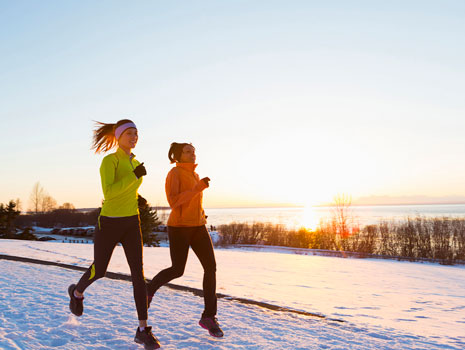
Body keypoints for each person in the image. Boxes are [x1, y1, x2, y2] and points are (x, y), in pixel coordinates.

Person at [67, 119, 160, 349]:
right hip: (109, 222)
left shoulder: (135, 161)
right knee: (100, 270)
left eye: (137, 133)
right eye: (129, 133)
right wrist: (134, 177)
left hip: (131, 222)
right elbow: (109, 193)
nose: (134, 136)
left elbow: (126, 191)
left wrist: (138, 197)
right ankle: (77, 292)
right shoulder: (110, 161)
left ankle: (142, 330)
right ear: (118, 137)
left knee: (138, 275)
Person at [147, 142, 224, 337]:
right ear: (178, 156)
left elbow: (194, 202)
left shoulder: (194, 174)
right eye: (188, 152)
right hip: (179, 228)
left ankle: (208, 316)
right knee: (177, 270)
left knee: (210, 268)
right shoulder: (175, 174)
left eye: (194, 151)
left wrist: (202, 215)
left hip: (198, 227)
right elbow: (174, 201)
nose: (193, 155)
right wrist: (198, 188)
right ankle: (149, 289)